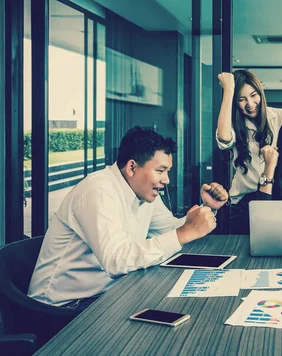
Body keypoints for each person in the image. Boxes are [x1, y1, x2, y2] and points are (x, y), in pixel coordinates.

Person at [28, 126, 229, 310]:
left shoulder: (143, 192)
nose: (166, 180)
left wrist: (206, 209)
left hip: (110, 293)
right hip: (64, 308)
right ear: (132, 167)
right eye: (160, 171)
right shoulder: (98, 190)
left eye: (168, 171)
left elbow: (170, 231)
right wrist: (185, 232)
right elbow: (116, 261)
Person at [216, 70, 282, 233]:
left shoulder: (280, 116)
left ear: (261, 93)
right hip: (245, 205)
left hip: (277, 200)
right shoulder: (234, 124)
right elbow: (224, 138)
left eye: (253, 95)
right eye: (241, 99)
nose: (250, 104)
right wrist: (228, 91)